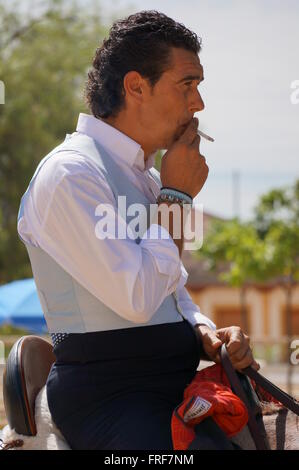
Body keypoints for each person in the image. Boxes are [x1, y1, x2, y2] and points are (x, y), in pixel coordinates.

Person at [17, 10, 259, 450]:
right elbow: (137, 297)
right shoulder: (71, 174)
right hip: (111, 400)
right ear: (135, 87)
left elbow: (170, 289)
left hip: (169, 386)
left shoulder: (146, 179)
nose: (199, 104)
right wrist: (179, 198)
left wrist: (202, 329)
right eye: (187, 84)